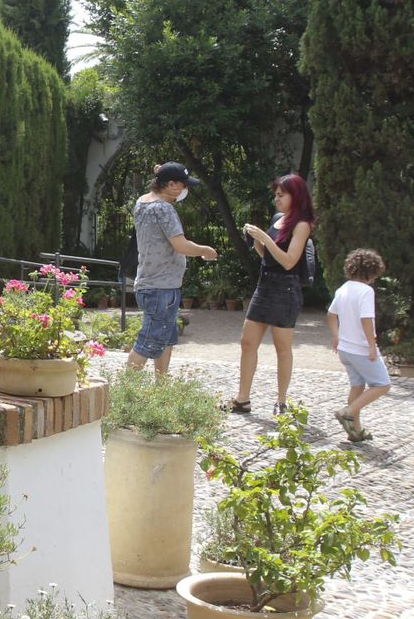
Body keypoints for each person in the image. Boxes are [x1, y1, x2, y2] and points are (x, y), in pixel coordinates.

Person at [222, 173, 314, 415]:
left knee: (282, 347)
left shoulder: (302, 224)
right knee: (247, 342)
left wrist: (264, 237)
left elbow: (289, 261)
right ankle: (242, 398)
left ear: (296, 196)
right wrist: (256, 242)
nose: (277, 199)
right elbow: (269, 258)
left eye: (281, 195)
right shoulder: (277, 218)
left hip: (285, 288)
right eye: (276, 194)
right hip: (265, 285)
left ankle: (281, 401)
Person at [127, 163, 217, 375]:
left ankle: (162, 387)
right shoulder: (164, 209)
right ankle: (124, 393)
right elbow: (181, 245)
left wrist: (159, 171)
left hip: (151, 283)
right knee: (148, 342)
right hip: (161, 288)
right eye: (183, 185)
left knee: (166, 338)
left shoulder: (143, 202)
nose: (185, 190)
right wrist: (206, 250)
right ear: (171, 185)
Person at [327, 248, 390, 442]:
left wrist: (336, 336)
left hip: (345, 349)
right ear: (372, 272)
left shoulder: (343, 288)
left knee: (357, 385)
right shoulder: (366, 291)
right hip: (360, 348)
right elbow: (366, 319)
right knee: (382, 384)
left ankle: (354, 430)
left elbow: (331, 315)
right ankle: (348, 412)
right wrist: (372, 345)